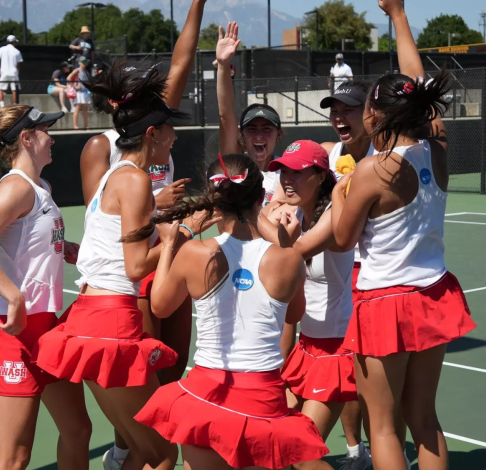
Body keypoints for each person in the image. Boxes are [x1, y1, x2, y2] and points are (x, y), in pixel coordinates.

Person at [330, 1, 476, 469]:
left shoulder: (373, 170)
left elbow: (342, 240)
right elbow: (422, 89)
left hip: (385, 303)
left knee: (384, 423)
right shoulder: (437, 150)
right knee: (424, 418)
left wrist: (337, 197)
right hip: (433, 294)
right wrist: (398, 16)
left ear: (376, 116)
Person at [36, 62, 198, 470]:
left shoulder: (114, 176)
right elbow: (136, 266)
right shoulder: (136, 181)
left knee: (139, 447)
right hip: (112, 324)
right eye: (169, 129)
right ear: (151, 134)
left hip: (87, 320)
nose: (174, 137)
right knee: (163, 452)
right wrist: (185, 233)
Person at [134, 153, 331, 470]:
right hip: (262, 399)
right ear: (260, 199)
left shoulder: (194, 254)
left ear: (213, 203)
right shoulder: (288, 259)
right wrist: (281, 241)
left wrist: (172, 241)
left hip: (205, 394)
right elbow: (295, 315)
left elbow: (159, 305)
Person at [76, 2, 206, 466]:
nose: (175, 136)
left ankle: (128, 446)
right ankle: (124, 446)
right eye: (169, 128)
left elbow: (182, 61)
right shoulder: (115, 161)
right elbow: (117, 242)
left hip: (110, 296)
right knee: (157, 444)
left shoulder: (139, 157)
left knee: (164, 393)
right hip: (121, 296)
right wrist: (177, 225)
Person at [0, 105, 91, 470]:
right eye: (46, 129)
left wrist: (66, 249)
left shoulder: (40, 187)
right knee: (14, 458)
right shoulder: (16, 187)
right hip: (12, 334)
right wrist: (13, 294)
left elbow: (30, 243)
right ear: (27, 138)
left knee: (78, 431)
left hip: (46, 329)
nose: (53, 137)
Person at [258, 141, 372, 470]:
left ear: (320, 177)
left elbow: (293, 251)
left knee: (299, 453)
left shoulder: (336, 214)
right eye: (283, 171)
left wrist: (248, 211)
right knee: (275, 437)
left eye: (297, 171)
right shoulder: (299, 215)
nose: (287, 179)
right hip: (309, 347)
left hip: (337, 350)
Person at [216, 22, 283, 206]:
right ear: (241, 135)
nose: (259, 134)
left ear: (279, 134)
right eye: (252, 128)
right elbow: (226, 114)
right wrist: (223, 66)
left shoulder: (287, 171)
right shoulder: (236, 165)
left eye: (266, 128)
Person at [0, 35, 23, 108]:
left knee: (0, 88)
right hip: (14, 72)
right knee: (14, 89)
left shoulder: (2, 49)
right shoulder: (17, 51)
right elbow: (18, 64)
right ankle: (14, 105)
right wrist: (18, 72)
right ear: (14, 42)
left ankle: (2, 105)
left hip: (4, 72)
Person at [68, 57, 90, 129]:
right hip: (79, 92)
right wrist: (74, 86)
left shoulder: (86, 71)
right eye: (83, 61)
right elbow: (68, 78)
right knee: (77, 108)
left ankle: (86, 125)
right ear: (79, 62)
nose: (84, 63)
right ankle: (75, 126)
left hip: (86, 92)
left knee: (86, 108)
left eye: (85, 61)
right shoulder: (77, 70)